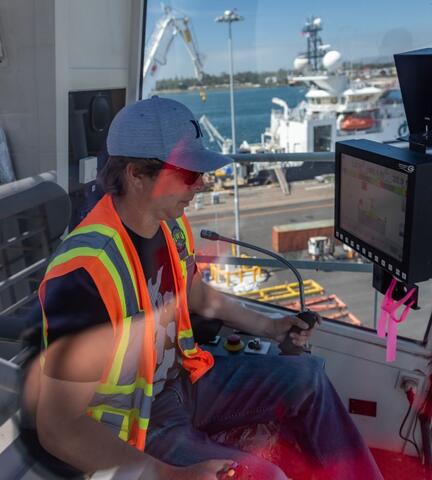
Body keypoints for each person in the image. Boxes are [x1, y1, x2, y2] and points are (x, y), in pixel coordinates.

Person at [24, 96, 383, 479]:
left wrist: (269, 325)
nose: (201, 185)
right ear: (136, 174)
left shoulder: (171, 224)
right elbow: (58, 428)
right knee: (265, 476)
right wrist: (166, 474)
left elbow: (195, 294)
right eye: (189, 174)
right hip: (138, 427)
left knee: (308, 376)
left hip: (184, 381)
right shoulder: (84, 272)